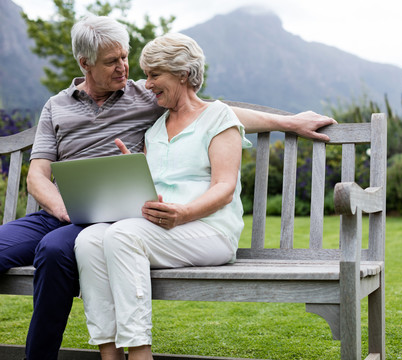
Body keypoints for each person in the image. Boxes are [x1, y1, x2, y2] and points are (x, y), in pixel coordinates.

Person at [0, 15, 335, 360]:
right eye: (112, 61)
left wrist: (288, 122)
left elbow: (211, 112)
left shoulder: (146, 99)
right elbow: (37, 175)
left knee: (60, 250)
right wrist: (63, 209)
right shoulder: (58, 106)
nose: (127, 70)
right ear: (85, 63)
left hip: (117, 219)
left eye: (126, 58)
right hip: (61, 210)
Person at [74, 31, 247, 360]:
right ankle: (109, 355)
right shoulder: (155, 129)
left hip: (210, 229)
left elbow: (225, 189)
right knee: (89, 239)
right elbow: (154, 190)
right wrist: (129, 176)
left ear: (183, 74)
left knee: (123, 235)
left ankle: (140, 353)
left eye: (154, 75)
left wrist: (183, 213)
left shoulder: (220, 117)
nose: (146, 83)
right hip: (160, 229)